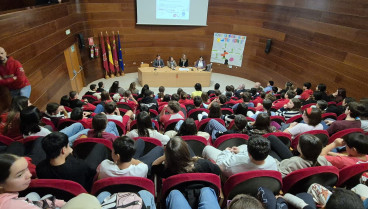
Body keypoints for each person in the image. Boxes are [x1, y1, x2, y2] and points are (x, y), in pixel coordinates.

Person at [36, 132, 108, 191]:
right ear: (63, 150)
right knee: (100, 147)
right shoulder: (80, 167)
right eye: (68, 146)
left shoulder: (39, 168)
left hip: (59, 195)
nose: (71, 148)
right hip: (81, 194)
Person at [0, 153, 67, 208]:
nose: (29, 175)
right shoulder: (18, 205)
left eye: (27, 168)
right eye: (19, 175)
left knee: (35, 195)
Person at [202, 135, 278, 177]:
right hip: (251, 185)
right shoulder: (273, 162)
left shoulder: (232, 164)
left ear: (249, 153)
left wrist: (226, 152)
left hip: (228, 165)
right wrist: (241, 151)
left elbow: (220, 165)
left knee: (207, 148)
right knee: (243, 146)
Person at [152, 136, 221, 178]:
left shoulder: (168, 171)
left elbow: (154, 165)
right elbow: (218, 170)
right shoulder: (203, 164)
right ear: (186, 151)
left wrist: (166, 155)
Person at [96, 136, 163, 179]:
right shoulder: (142, 169)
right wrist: (128, 156)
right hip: (132, 165)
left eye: (112, 151)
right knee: (159, 148)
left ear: (117, 156)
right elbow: (141, 164)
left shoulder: (104, 165)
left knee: (140, 141)